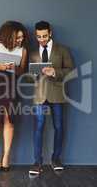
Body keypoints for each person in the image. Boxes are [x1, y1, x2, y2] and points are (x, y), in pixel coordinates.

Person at [28, 21, 74, 175]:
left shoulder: (63, 50)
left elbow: (70, 71)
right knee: (38, 128)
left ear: (50, 33)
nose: (42, 39)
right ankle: (37, 162)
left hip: (57, 94)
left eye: (44, 36)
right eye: (39, 37)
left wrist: (54, 72)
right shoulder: (33, 53)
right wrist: (33, 75)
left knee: (59, 127)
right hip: (39, 95)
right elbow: (28, 77)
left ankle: (55, 159)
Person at [0, 21, 28, 171]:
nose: (20, 40)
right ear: (9, 35)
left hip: (12, 86)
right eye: (18, 37)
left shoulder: (23, 50)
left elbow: (23, 71)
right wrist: (2, 67)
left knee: (9, 120)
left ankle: (6, 155)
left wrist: (15, 68)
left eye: (22, 37)